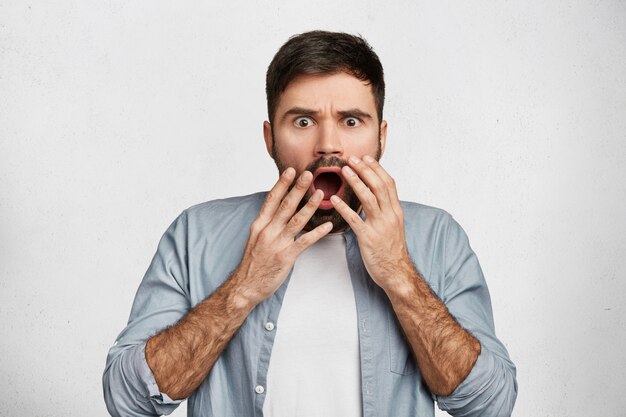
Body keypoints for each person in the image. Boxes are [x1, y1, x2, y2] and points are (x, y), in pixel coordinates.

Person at [103, 30, 517, 417]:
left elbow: (491, 403)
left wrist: (400, 276)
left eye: (351, 121)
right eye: (303, 121)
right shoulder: (198, 233)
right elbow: (128, 400)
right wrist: (244, 287)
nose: (328, 145)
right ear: (270, 139)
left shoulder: (438, 237)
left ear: (381, 137)